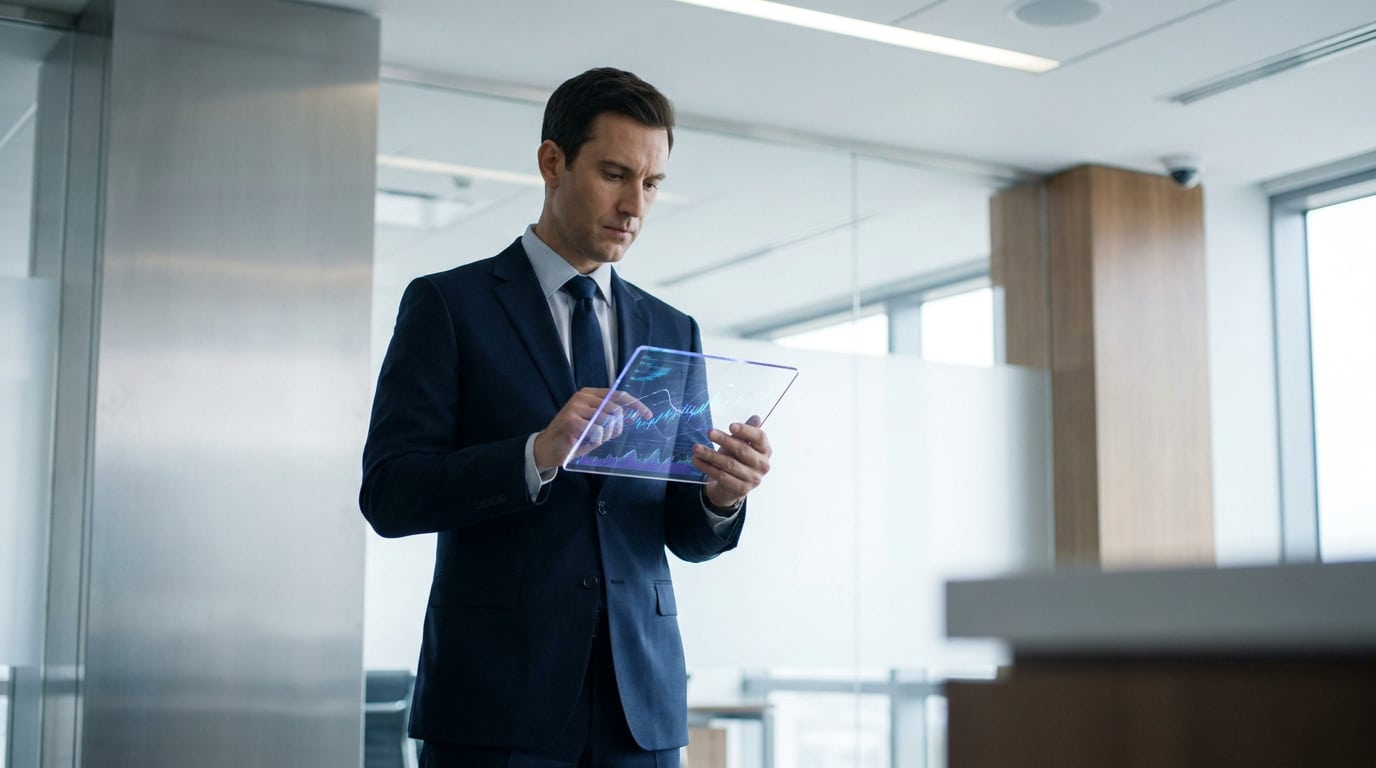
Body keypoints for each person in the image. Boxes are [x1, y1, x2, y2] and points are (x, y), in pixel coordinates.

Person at [360, 67, 774, 768]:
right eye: (615, 174)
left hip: (639, 708)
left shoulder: (672, 328)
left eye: (652, 184)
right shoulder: (449, 306)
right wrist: (536, 454)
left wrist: (719, 497)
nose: (634, 205)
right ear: (553, 163)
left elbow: (683, 534)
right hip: (494, 703)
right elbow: (391, 493)